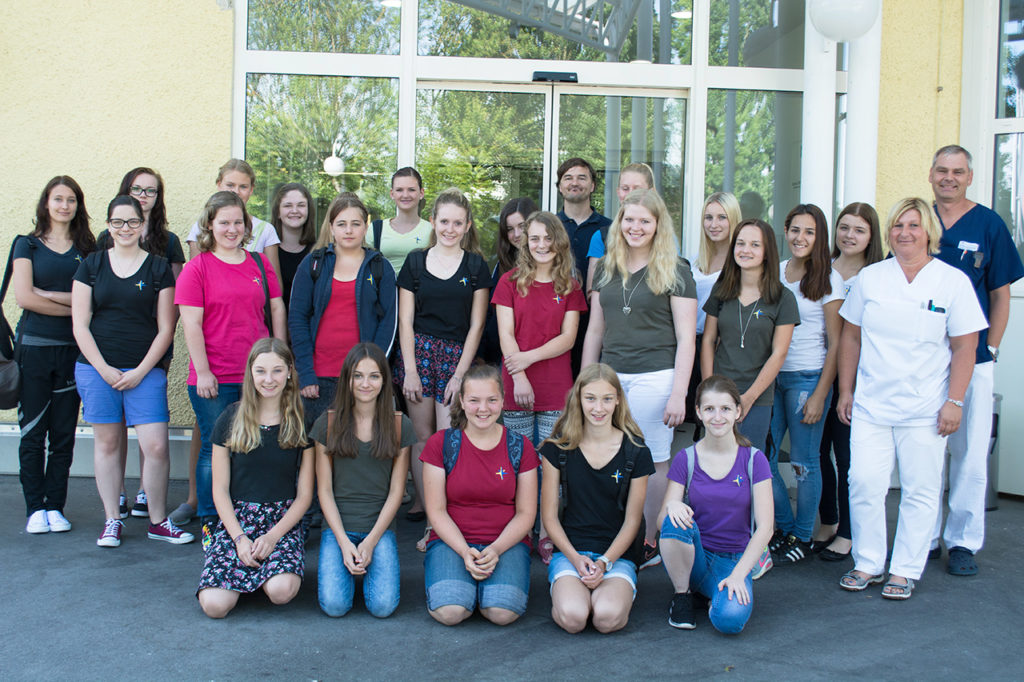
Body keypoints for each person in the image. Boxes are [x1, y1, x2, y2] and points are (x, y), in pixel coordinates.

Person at [837, 198, 986, 600]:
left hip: (925, 408)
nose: (905, 232)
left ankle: (905, 568)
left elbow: (965, 347)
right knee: (865, 482)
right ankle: (868, 561)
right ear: (889, 233)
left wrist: (954, 402)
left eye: (914, 225)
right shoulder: (871, 278)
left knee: (920, 488)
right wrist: (846, 390)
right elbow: (851, 336)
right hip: (872, 405)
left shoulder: (952, 281)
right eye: (898, 225)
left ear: (929, 233)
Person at [582, 188, 697, 568]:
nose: (635, 227)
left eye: (644, 221)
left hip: (656, 376)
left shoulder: (676, 269)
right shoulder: (607, 267)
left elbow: (685, 338)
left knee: (653, 458)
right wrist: (586, 382)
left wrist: (679, 393)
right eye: (629, 219)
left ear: (657, 225)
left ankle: (649, 539)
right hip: (610, 378)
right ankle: (615, 534)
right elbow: (595, 331)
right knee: (606, 454)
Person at [71, 195, 191, 547]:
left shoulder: (157, 268)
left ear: (143, 225)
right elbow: (80, 325)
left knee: (156, 446)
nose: (125, 228)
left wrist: (141, 371)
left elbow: (167, 328)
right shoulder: (91, 265)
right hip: (98, 370)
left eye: (133, 222)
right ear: (108, 225)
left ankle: (157, 521)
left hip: (145, 370)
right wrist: (104, 369)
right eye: (118, 222)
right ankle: (112, 519)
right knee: (107, 443)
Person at [929, 145, 1024, 576]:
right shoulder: (918, 222)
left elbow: (1001, 293)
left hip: (976, 356)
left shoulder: (988, 224)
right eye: (942, 170)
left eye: (958, 172)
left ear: (970, 177)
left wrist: (994, 348)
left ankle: (963, 541)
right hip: (926, 358)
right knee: (926, 450)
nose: (949, 177)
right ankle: (925, 536)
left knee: (969, 453)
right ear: (931, 174)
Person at [176, 191, 286, 530]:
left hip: (258, 376)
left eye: (238, 222)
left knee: (253, 449)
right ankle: (213, 522)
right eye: (224, 222)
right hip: (216, 377)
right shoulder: (197, 268)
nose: (231, 228)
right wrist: (204, 372)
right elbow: (191, 323)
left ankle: (249, 519)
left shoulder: (258, 263)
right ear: (210, 224)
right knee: (215, 450)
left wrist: (280, 356)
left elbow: (277, 308)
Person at [395, 188, 490, 548]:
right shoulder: (415, 262)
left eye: (458, 223)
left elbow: (477, 326)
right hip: (418, 355)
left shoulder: (476, 266)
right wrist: (411, 369)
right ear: (433, 221)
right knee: (423, 440)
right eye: (444, 221)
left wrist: (459, 374)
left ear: (467, 226)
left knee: (451, 440)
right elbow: (405, 322)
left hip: (457, 358)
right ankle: (431, 519)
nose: (450, 228)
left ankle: (450, 520)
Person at [197, 339, 314, 618]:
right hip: (236, 520)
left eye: (277, 371)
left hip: (281, 522)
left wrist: (273, 537)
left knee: (281, 591)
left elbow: (305, 495)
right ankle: (245, 578)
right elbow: (220, 490)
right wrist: (238, 538)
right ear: (250, 372)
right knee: (214, 607)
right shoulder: (230, 418)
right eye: (261, 371)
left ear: (289, 372)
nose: (269, 379)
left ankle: (261, 579)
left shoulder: (301, 421)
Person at [494, 210, 587, 562]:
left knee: (551, 464)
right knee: (519, 462)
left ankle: (548, 533)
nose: (541, 244)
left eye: (548, 238)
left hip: (554, 387)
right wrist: (518, 375)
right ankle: (520, 531)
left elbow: (568, 339)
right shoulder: (510, 282)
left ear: (559, 241)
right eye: (534, 238)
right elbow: (505, 333)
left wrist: (527, 360)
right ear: (525, 242)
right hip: (515, 387)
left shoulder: (570, 286)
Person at [420, 364, 539, 626]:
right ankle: (462, 588)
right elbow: (436, 511)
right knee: (450, 612)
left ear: (503, 401)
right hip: (453, 541)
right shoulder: (441, 444)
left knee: (502, 613)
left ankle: (480, 590)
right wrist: (464, 551)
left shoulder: (521, 447)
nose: (483, 409)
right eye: (474, 400)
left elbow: (526, 513)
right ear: (461, 401)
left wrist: (496, 549)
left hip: (505, 542)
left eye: (491, 400)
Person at [539, 364, 653, 634]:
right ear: (578, 399)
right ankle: (569, 592)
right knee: (574, 618)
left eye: (606, 399)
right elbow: (549, 517)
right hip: (570, 553)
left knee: (606, 619)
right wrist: (576, 559)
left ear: (617, 401)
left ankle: (614, 592)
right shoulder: (558, 447)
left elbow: (632, 521)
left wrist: (604, 563)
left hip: (616, 555)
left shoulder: (635, 451)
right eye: (590, 398)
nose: (598, 408)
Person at [658, 375, 773, 633]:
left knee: (730, 621)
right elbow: (662, 525)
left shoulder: (755, 460)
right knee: (673, 518)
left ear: (738, 412)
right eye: (709, 409)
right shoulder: (685, 459)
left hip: (734, 560)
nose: (717, 417)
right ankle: (683, 594)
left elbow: (766, 528)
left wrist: (738, 575)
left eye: (725, 409)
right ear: (698, 412)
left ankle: (711, 593)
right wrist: (672, 506)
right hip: (695, 554)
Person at [14, 176, 96, 534]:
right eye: (58, 199)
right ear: (46, 202)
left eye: (71, 200)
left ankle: (55, 506)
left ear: (78, 205)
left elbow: (92, 302)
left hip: (72, 353)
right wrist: (75, 306)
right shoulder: (26, 245)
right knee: (33, 432)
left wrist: (47, 294)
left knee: (63, 435)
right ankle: (35, 507)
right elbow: (24, 298)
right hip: (33, 351)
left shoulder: (87, 249)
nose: (65, 205)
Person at [765, 204, 844, 563]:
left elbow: (837, 343)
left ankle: (802, 535)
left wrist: (821, 393)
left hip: (807, 378)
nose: (801, 238)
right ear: (785, 231)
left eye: (810, 232)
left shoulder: (830, 280)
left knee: (803, 461)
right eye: (795, 230)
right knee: (764, 458)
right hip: (771, 375)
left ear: (820, 237)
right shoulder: (777, 272)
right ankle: (782, 526)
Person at [107, 167, 186, 521]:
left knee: (146, 420)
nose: (143, 195)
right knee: (115, 421)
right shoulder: (105, 238)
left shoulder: (168, 242)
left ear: (158, 197)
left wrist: (160, 344)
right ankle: (118, 493)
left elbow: (177, 299)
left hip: (154, 345)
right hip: (113, 346)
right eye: (137, 189)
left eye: (151, 191)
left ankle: (144, 490)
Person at [313, 343, 414, 617]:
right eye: (358, 375)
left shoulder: (399, 424)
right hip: (338, 527)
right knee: (335, 606)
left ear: (384, 380)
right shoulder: (328, 423)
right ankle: (348, 566)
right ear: (347, 379)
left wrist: (369, 542)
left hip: (379, 528)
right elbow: (324, 490)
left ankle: (364, 565)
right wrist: (344, 543)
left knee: (382, 607)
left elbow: (396, 492)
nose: (365, 383)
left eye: (373, 376)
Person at [289, 192, 398, 423]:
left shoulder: (380, 267)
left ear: (365, 227)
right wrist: (306, 373)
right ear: (331, 227)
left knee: (357, 450)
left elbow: (389, 323)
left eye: (355, 224)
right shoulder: (313, 264)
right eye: (342, 224)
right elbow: (297, 319)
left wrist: (371, 373)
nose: (348, 230)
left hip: (362, 380)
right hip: (318, 377)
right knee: (317, 449)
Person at [816, 202, 883, 562]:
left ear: (871, 235)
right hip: (820, 371)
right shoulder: (822, 270)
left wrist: (849, 387)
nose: (850, 235)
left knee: (847, 456)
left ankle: (849, 532)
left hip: (857, 377)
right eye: (844, 227)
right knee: (817, 452)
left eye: (859, 229)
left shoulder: (878, 275)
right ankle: (828, 521)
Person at [701, 219, 799, 452]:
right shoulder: (721, 289)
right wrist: (708, 388)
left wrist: (749, 397)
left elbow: (779, 353)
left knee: (749, 465)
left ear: (767, 252)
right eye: (741, 243)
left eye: (755, 245)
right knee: (714, 461)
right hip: (719, 394)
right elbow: (708, 340)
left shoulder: (783, 298)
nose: (746, 250)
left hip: (757, 397)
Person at [688, 192, 742, 427]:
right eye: (708, 217)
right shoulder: (693, 261)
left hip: (720, 346)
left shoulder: (740, 264)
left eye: (722, 217)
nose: (714, 224)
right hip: (691, 343)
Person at [185, 159, 282, 285]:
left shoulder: (266, 230)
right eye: (230, 185)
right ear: (219, 185)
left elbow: (275, 285)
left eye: (243, 186)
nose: (236, 191)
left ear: (251, 189)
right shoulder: (201, 227)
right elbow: (194, 280)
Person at [479, 197, 538, 364]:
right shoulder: (501, 266)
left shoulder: (550, 264)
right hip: (502, 357)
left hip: (539, 355)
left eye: (522, 226)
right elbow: (490, 316)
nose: (517, 235)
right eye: (510, 229)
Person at [584, 162, 655, 292]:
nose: (631, 194)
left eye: (637, 188)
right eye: (625, 188)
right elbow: (592, 292)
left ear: (651, 192)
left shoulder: (664, 236)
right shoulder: (601, 237)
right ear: (618, 192)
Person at [374, 167, 433, 275]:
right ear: (392, 194)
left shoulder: (432, 230)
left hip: (421, 291)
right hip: (386, 291)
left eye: (411, 189)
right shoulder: (376, 230)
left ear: (421, 193)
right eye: (399, 190)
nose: (405, 195)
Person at [270, 182, 317, 309]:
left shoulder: (318, 251)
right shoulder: (268, 250)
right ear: (278, 212)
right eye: (288, 205)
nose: (295, 210)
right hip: (273, 325)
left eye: (301, 205)